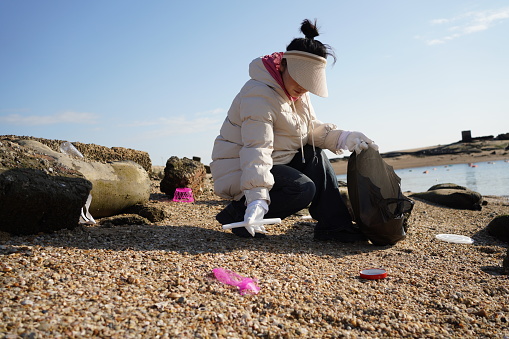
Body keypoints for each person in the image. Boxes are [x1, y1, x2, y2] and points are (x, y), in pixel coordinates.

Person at [210, 19, 378, 241]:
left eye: (310, 82)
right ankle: (239, 214)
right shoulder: (259, 94)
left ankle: (333, 225)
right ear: (282, 65)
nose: (304, 87)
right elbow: (256, 149)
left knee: (316, 155)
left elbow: (309, 131)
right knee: (302, 189)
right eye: (300, 78)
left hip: (276, 161)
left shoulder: (296, 92)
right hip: (242, 168)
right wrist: (257, 198)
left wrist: (344, 138)